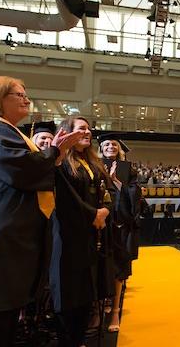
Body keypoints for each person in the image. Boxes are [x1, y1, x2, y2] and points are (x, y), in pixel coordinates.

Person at [0, 76, 81, 347]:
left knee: (6, 313)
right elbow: (21, 168)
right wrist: (56, 151)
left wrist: (54, 154)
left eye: (26, 94)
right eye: (18, 94)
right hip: (0, 233)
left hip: (14, 233)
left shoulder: (12, 133)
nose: (26, 98)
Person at [50, 116, 115, 347]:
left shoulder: (93, 163)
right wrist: (93, 215)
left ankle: (78, 339)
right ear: (66, 133)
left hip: (92, 235)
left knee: (87, 295)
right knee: (69, 297)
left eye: (89, 129)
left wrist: (105, 211)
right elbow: (66, 199)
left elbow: (107, 192)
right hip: (69, 236)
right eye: (81, 129)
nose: (87, 132)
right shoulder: (61, 164)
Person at [98, 134, 141, 333]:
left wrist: (116, 182)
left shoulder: (128, 169)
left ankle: (115, 310)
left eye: (114, 144)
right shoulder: (94, 166)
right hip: (98, 224)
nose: (110, 147)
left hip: (119, 224)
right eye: (106, 144)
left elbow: (135, 195)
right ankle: (98, 310)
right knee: (99, 267)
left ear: (119, 148)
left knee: (118, 268)